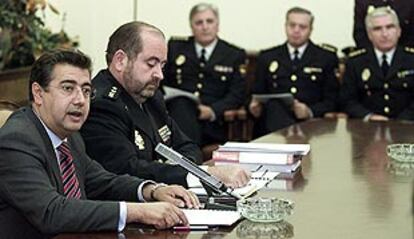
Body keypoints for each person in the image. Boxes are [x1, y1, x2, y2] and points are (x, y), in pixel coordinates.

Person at [0, 49, 201, 238]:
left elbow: (100, 181)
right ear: (38, 93)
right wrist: (137, 212)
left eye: (86, 90)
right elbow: (52, 212)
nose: (80, 100)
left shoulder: (70, 136)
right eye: (68, 88)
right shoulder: (17, 140)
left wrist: (152, 190)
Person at [80, 21, 250, 189]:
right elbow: (127, 171)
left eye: (162, 65)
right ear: (120, 61)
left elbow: (188, 147)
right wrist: (202, 175)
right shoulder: (103, 105)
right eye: (151, 64)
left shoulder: (151, 96)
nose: (160, 75)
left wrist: (180, 170)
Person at [162, 3, 247, 146]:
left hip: (212, 122)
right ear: (191, 26)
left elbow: (237, 94)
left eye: (209, 21)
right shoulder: (175, 48)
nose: (205, 26)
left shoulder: (233, 54)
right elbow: (162, 82)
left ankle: (186, 158)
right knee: (181, 104)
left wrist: (213, 110)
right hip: (176, 116)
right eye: (199, 22)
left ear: (217, 25)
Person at [249, 7, 339, 137]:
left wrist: (309, 111)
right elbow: (254, 94)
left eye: (302, 27)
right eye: (292, 25)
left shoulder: (325, 58)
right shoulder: (267, 57)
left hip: (309, 128)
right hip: (271, 130)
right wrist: (253, 108)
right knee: (274, 106)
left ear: (310, 30)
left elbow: (333, 100)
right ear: (285, 26)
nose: (296, 30)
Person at [340, 7, 414, 121]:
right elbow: (347, 101)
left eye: (390, 27)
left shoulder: (411, 59)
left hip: (408, 129)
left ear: (399, 31)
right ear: (369, 35)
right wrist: (369, 116)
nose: (384, 34)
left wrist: (400, 122)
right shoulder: (355, 62)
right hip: (367, 129)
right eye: (377, 29)